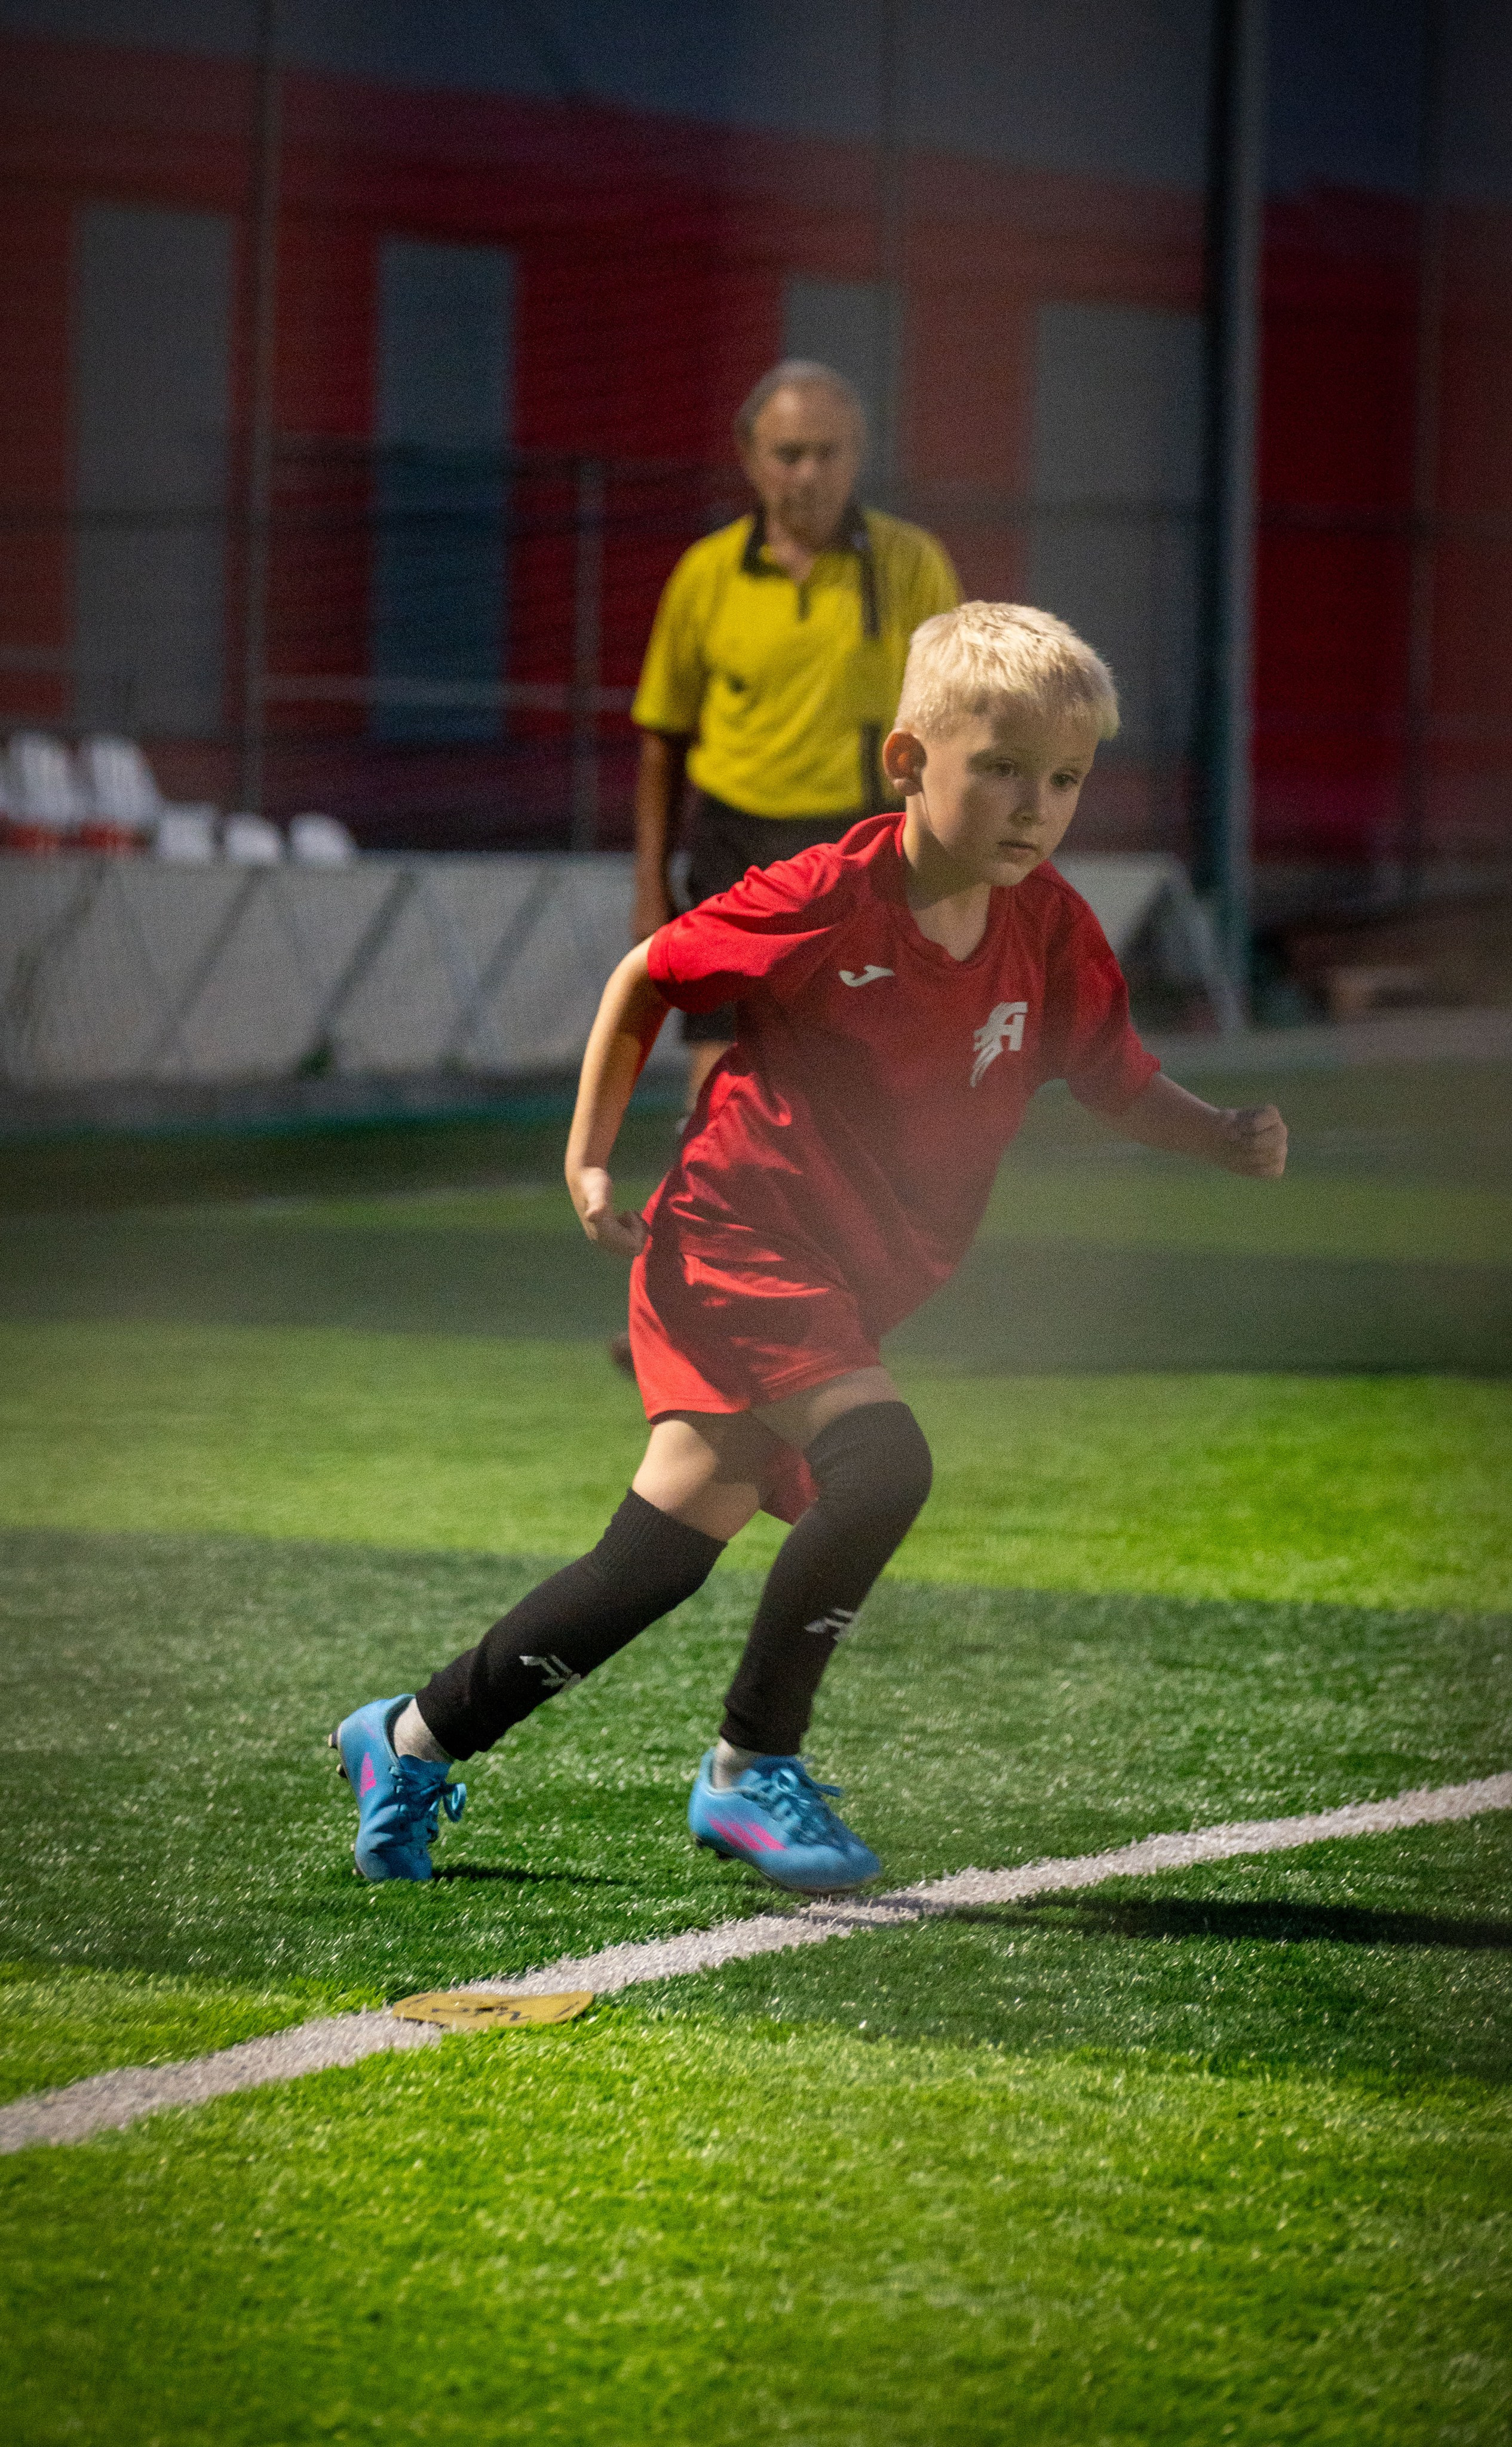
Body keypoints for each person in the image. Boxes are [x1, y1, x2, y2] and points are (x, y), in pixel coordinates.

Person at [331, 602, 1287, 1896]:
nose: (1036, 807)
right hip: (738, 1241)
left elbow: (1112, 1073)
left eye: (1065, 779)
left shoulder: (1049, 925)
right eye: (1002, 767)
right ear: (908, 763)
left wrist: (1218, 1133)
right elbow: (649, 973)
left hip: (840, 1276)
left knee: (648, 1565)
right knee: (883, 1465)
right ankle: (750, 1765)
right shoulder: (828, 897)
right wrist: (588, 1156)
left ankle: (409, 1739)